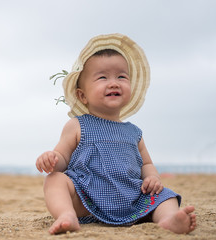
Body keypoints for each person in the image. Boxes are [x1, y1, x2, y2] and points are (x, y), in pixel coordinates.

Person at [35, 33, 196, 235]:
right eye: (102, 77)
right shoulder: (77, 125)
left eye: (121, 76)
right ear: (82, 95)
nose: (114, 83)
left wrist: (152, 177)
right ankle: (66, 215)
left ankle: (168, 219)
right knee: (55, 180)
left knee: (165, 195)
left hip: (131, 198)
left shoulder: (134, 132)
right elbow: (62, 159)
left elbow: (146, 164)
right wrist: (51, 159)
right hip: (88, 198)